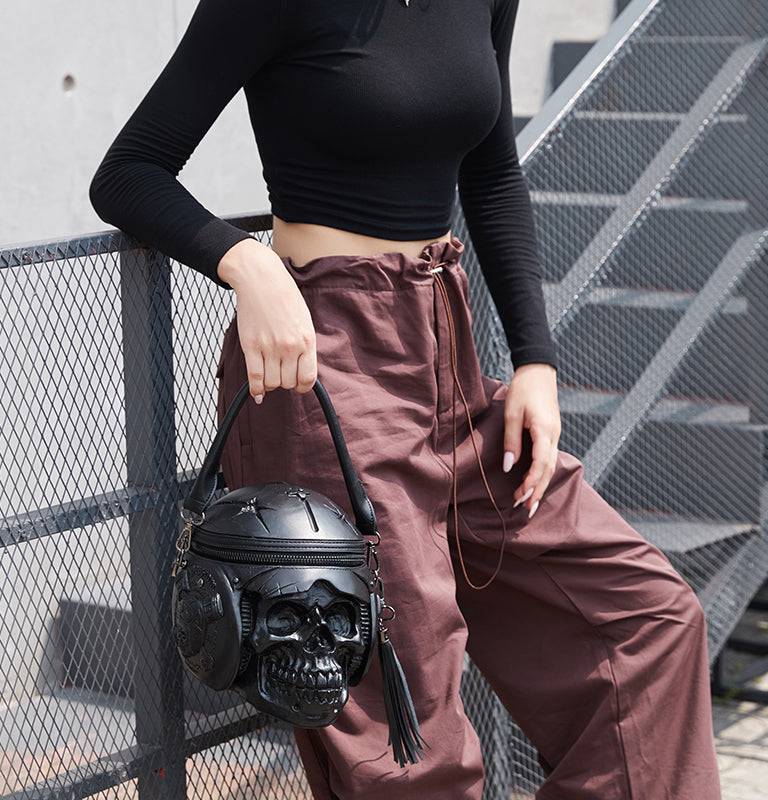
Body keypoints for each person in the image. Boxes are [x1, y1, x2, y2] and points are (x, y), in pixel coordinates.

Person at [88, 1, 723, 797]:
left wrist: (536, 362)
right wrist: (248, 265)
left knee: (647, 626)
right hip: (326, 370)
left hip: (451, 359)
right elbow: (129, 173)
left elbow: (491, 172)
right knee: (408, 737)